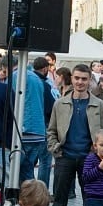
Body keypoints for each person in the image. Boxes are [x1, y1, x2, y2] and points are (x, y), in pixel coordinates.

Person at [44, 64, 103, 206]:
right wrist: (55, 148)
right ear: (71, 79)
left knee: (90, 204)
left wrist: (99, 155)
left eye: (84, 79)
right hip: (65, 157)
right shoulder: (60, 103)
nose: (80, 82)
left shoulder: (99, 105)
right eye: (77, 78)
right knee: (58, 204)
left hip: (89, 160)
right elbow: (51, 130)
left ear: (90, 80)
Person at [31, 56, 59, 188]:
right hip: (43, 126)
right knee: (45, 161)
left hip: (28, 127)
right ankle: (41, 190)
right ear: (45, 69)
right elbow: (50, 107)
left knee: (29, 161)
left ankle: (28, 189)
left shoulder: (27, 81)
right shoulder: (43, 84)